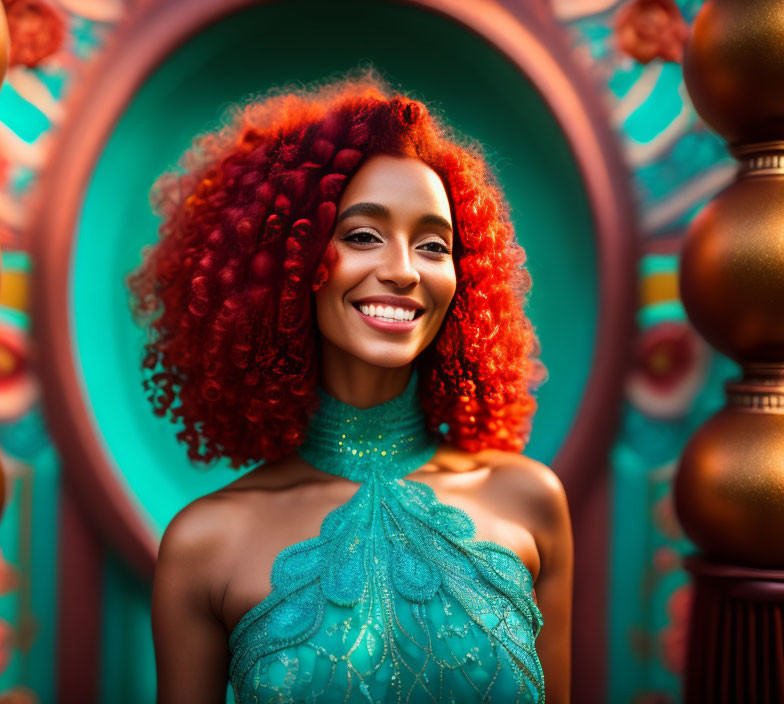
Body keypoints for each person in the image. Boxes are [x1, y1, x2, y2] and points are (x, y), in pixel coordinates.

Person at [128, 71, 572, 703]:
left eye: (433, 245)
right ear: (284, 257)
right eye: (363, 235)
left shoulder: (531, 501)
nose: (401, 270)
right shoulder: (205, 543)